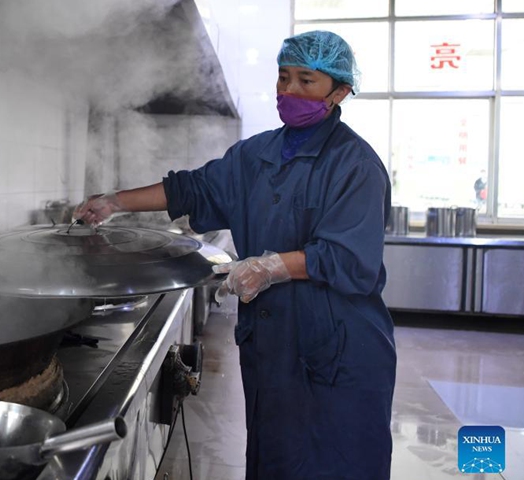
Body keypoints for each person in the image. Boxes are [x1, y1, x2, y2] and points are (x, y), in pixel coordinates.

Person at [74, 30, 396, 480]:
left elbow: (349, 260)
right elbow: (190, 188)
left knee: (337, 460)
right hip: (273, 343)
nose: (290, 91)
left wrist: (269, 267)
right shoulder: (255, 155)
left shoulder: (355, 166)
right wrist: (115, 201)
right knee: (274, 457)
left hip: (338, 347)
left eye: (307, 81)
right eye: (284, 78)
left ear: (339, 91)